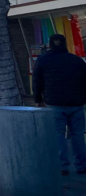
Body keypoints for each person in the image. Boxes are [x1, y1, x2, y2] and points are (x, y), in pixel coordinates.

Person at [33, 33, 86, 175]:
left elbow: (37, 82)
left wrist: (38, 100)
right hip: (76, 103)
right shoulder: (77, 61)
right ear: (65, 44)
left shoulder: (43, 60)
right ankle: (81, 165)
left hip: (54, 102)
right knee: (78, 135)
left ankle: (63, 166)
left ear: (50, 44)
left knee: (58, 135)